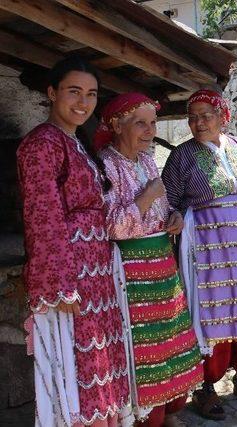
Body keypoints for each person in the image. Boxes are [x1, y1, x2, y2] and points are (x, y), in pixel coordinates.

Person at [17, 57, 129, 426]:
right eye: (74, 92)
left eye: (92, 94)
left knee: (98, 364)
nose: (83, 102)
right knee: (76, 367)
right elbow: (43, 218)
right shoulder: (41, 144)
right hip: (72, 278)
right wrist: (62, 285)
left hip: (96, 275)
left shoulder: (75, 142)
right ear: (52, 93)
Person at [161, 89, 237, 420]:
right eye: (192, 117)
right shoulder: (182, 156)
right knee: (211, 312)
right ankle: (205, 386)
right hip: (207, 247)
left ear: (223, 116)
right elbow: (167, 200)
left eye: (206, 115)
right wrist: (172, 216)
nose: (198, 123)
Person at [96, 93, 204, 426]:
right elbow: (111, 226)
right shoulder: (104, 164)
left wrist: (173, 215)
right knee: (144, 348)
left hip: (161, 263)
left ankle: (168, 409)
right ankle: (146, 416)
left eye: (153, 123)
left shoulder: (147, 160)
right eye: (140, 123)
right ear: (117, 125)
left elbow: (161, 207)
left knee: (169, 341)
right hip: (132, 272)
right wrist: (149, 195)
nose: (148, 130)